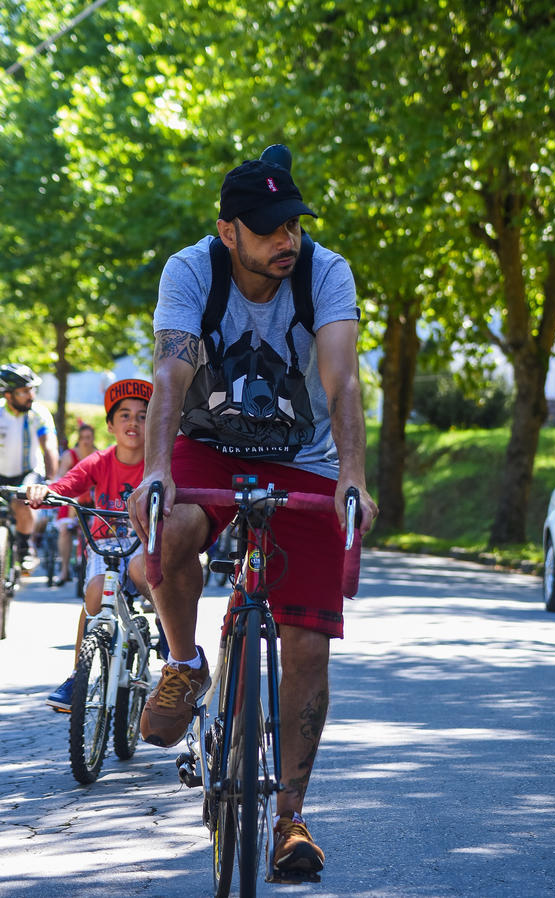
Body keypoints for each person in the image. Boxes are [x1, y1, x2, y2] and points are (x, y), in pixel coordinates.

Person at [128, 152, 377, 878]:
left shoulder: (325, 273)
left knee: (305, 644)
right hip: (206, 444)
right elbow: (171, 372)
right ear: (227, 231)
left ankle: (290, 819)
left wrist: (354, 477)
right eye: (268, 229)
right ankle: (183, 662)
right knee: (166, 532)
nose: (286, 240)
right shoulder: (191, 271)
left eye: (294, 224)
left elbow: (342, 377)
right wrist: (155, 470)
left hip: (305, 460)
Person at [26, 379, 153, 712]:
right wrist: (45, 493)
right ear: (110, 425)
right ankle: (77, 675)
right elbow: (69, 483)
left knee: (143, 572)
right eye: (124, 415)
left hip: (142, 540)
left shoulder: (158, 464)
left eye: (143, 416)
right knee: (95, 592)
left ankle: (171, 637)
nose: (133, 423)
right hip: (104, 542)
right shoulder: (99, 461)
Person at [0, 363, 59, 567]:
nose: (31, 395)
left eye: (32, 389)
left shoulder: (38, 414)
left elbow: (49, 446)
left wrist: (51, 481)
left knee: (21, 501)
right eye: (24, 391)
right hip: (1, 471)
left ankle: (25, 547)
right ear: (8, 395)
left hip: (28, 471)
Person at [53, 422, 97, 586]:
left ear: (93, 439)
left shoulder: (98, 455)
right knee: (65, 531)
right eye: (83, 438)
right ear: (79, 439)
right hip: (71, 500)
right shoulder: (69, 455)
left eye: (88, 437)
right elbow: (61, 479)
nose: (85, 441)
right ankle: (64, 570)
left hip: (92, 502)